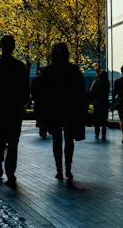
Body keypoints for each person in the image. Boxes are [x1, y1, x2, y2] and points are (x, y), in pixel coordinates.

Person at [0, 35, 29, 186]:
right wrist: (22, 105)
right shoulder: (20, 66)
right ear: (13, 47)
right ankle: (11, 172)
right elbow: (25, 89)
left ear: (0, 46)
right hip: (14, 110)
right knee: (13, 142)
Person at [42, 43, 86, 180]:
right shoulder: (74, 70)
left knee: (56, 140)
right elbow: (80, 93)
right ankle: (68, 169)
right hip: (70, 110)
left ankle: (59, 170)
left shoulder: (48, 71)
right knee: (69, 140)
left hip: (54, 110)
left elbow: (45, 94)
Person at [89, 70, 110, 140]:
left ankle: (97, 133)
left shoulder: (96, 83)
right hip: (104, 103)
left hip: (97, 103)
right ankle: (103, 134)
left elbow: (91, 93)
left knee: (97, 119)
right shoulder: (107, 83)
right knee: (104, 119)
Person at [30, 67, 48, 138]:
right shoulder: (49, 80)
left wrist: (33, 97)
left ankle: (40, 124)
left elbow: (32, 89)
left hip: (39, 100)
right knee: (46, 114)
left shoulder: (36, 79)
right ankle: (45, 126)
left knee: (39, 114)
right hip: (47, 101)